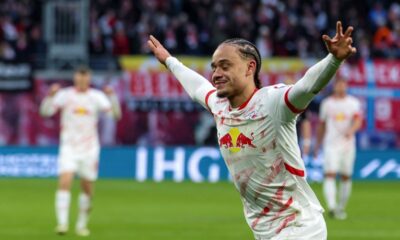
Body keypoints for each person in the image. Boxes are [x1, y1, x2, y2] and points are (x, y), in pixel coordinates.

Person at [148, 21, 356, 240]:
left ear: (250, 68)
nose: (216, 73)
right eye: (214, 67)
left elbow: (306, 87)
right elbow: (197, 86)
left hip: (300, 226)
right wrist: (169, 61)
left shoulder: (273, 103)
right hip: (264, 230)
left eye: (225, 66)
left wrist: (333, 60)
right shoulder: (220, 106)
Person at [40, 66, 121, 236]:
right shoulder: (65, 95)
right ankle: (62, 224)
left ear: (89, 79)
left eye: (85, 77)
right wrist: (49, 96)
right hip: (69, 147)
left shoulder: (96, 97)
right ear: (75, 78)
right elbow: (45, 112)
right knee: (65, 181)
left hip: (90, 149)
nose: (82, 80)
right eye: (79, 77)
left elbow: (115, 116)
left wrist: (112, 97)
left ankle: (81, 225)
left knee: (87, 188)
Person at [315, 78, 362, 220]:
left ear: (346, 86)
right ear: (334, 87)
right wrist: (318, 144)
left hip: (348, 144)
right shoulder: (327, 104)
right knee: (330, 174)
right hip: (331, 144)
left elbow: (358, 120)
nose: (341, 87)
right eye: (338, 84)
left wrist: (351, 130)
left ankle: (341, 207)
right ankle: (332, 207)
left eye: (343, 84)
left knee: (346, 176)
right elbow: (322, 125)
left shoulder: (353, 103)